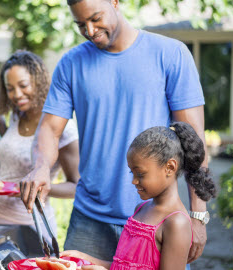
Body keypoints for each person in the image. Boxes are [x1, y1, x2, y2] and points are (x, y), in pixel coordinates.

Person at [20, 0, 210, 264]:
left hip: (157, 220)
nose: (89, 30)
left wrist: (198, 216)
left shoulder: (170, 54)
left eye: (96, 18)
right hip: (90, 220)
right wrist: (41, 166)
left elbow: (194, 140)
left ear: (115, 2)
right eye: (80, 24)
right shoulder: (71, 64)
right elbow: (50, 129)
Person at [62, 122, 216, 270]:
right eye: (132, 172)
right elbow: (121, 266)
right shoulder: (141, 209)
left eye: (140, 174)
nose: (134, 181)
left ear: (170, 167)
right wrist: (81, 258)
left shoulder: (176, 223)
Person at [0, 51, 80, 238]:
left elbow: (77, 187)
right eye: (10, 88)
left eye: (23, 85)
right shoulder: (15, 116)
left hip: (30, 226)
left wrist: (39, 187)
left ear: (39, 81)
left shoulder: (63, 127)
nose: (16, 94)